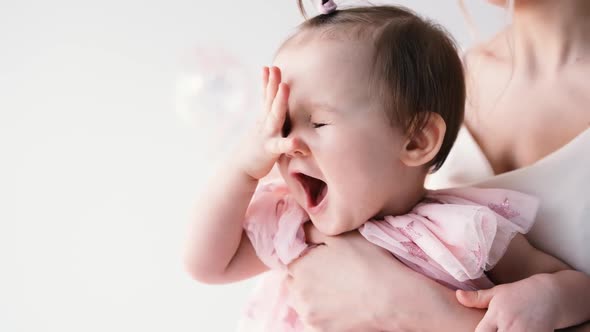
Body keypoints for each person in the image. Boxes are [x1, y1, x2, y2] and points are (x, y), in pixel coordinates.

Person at [183, 2, 589, 331]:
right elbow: (205, 264)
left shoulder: (463, 229)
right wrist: (243, 169)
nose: (288, 144)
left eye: (319, 122)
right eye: (281, 124)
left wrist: (548, 298)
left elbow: (574, 287)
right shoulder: (291, 225)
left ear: (415, 141)